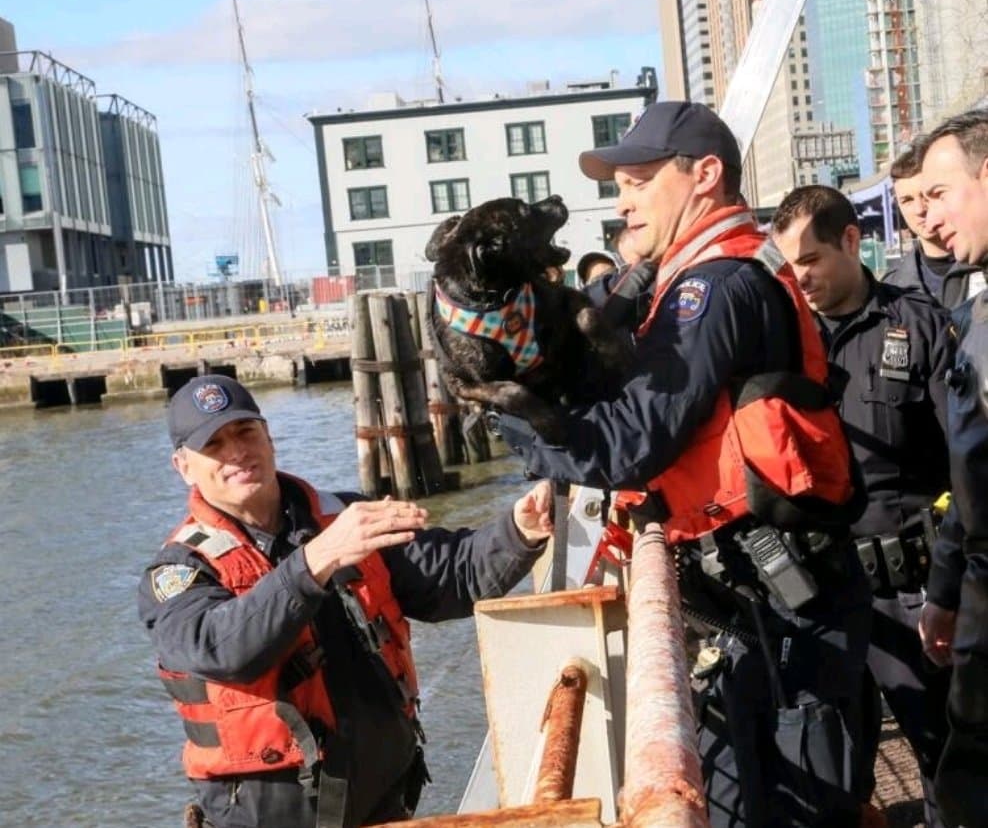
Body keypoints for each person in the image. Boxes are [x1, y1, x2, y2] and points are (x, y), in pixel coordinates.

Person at [497, 100, 872, 826]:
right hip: (757, 599)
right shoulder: (693, 276)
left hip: (784, 606)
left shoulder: (714, 285)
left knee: (796, 807)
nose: (622, 199)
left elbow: (636, 438)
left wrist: (513, 417)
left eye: (637, 180)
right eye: (619, 185)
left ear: (704, 175)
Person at [137, 374, 552, 828]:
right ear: (183, 466)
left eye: (244, 432)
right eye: (213, 444)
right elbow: (221, 648)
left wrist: (519, 531)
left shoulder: (344, 516)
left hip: (384, 805)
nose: (236, 451)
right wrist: (317, 559)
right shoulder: (179, 572)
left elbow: (452, 575)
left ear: (268, 436)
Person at [772, 184, 954, 827]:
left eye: (812, 259)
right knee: (830, 776)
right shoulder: (784, 347)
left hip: (910, 593)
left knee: (943, 762)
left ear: (851, 241)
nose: (802, 278)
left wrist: (951, 590)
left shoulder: (923, 329)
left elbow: (970, 469)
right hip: (820, 595)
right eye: (790, 266)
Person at [918, 108, 988, 828]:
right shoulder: (972, 308)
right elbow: (970, 472)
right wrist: (945, 588)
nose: (926, 217)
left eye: (939, 193)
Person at [883, 144, 984, 306]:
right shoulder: (892, 284)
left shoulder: (981, 259)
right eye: (907, 200)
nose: (920, 209)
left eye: (926, 196)